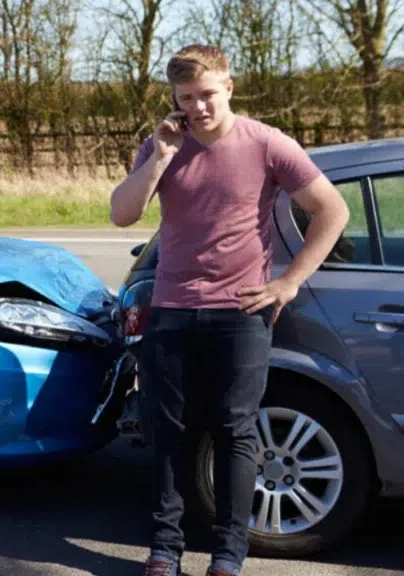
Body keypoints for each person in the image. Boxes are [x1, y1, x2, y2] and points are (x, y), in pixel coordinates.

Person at [108, 45, 349, 576]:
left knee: (235, 434)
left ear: (229, 87)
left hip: (240, 313)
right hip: (171, 308)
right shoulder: (161, 145)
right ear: (174, 98)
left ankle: (227, 555)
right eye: (186, 97)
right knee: (168, 431)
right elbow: (123, 215)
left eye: (207, 94)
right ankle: (165, 549)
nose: (198, 107)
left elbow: (332, 209)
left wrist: (288, 282)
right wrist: (162, 158)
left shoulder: (266, 143)